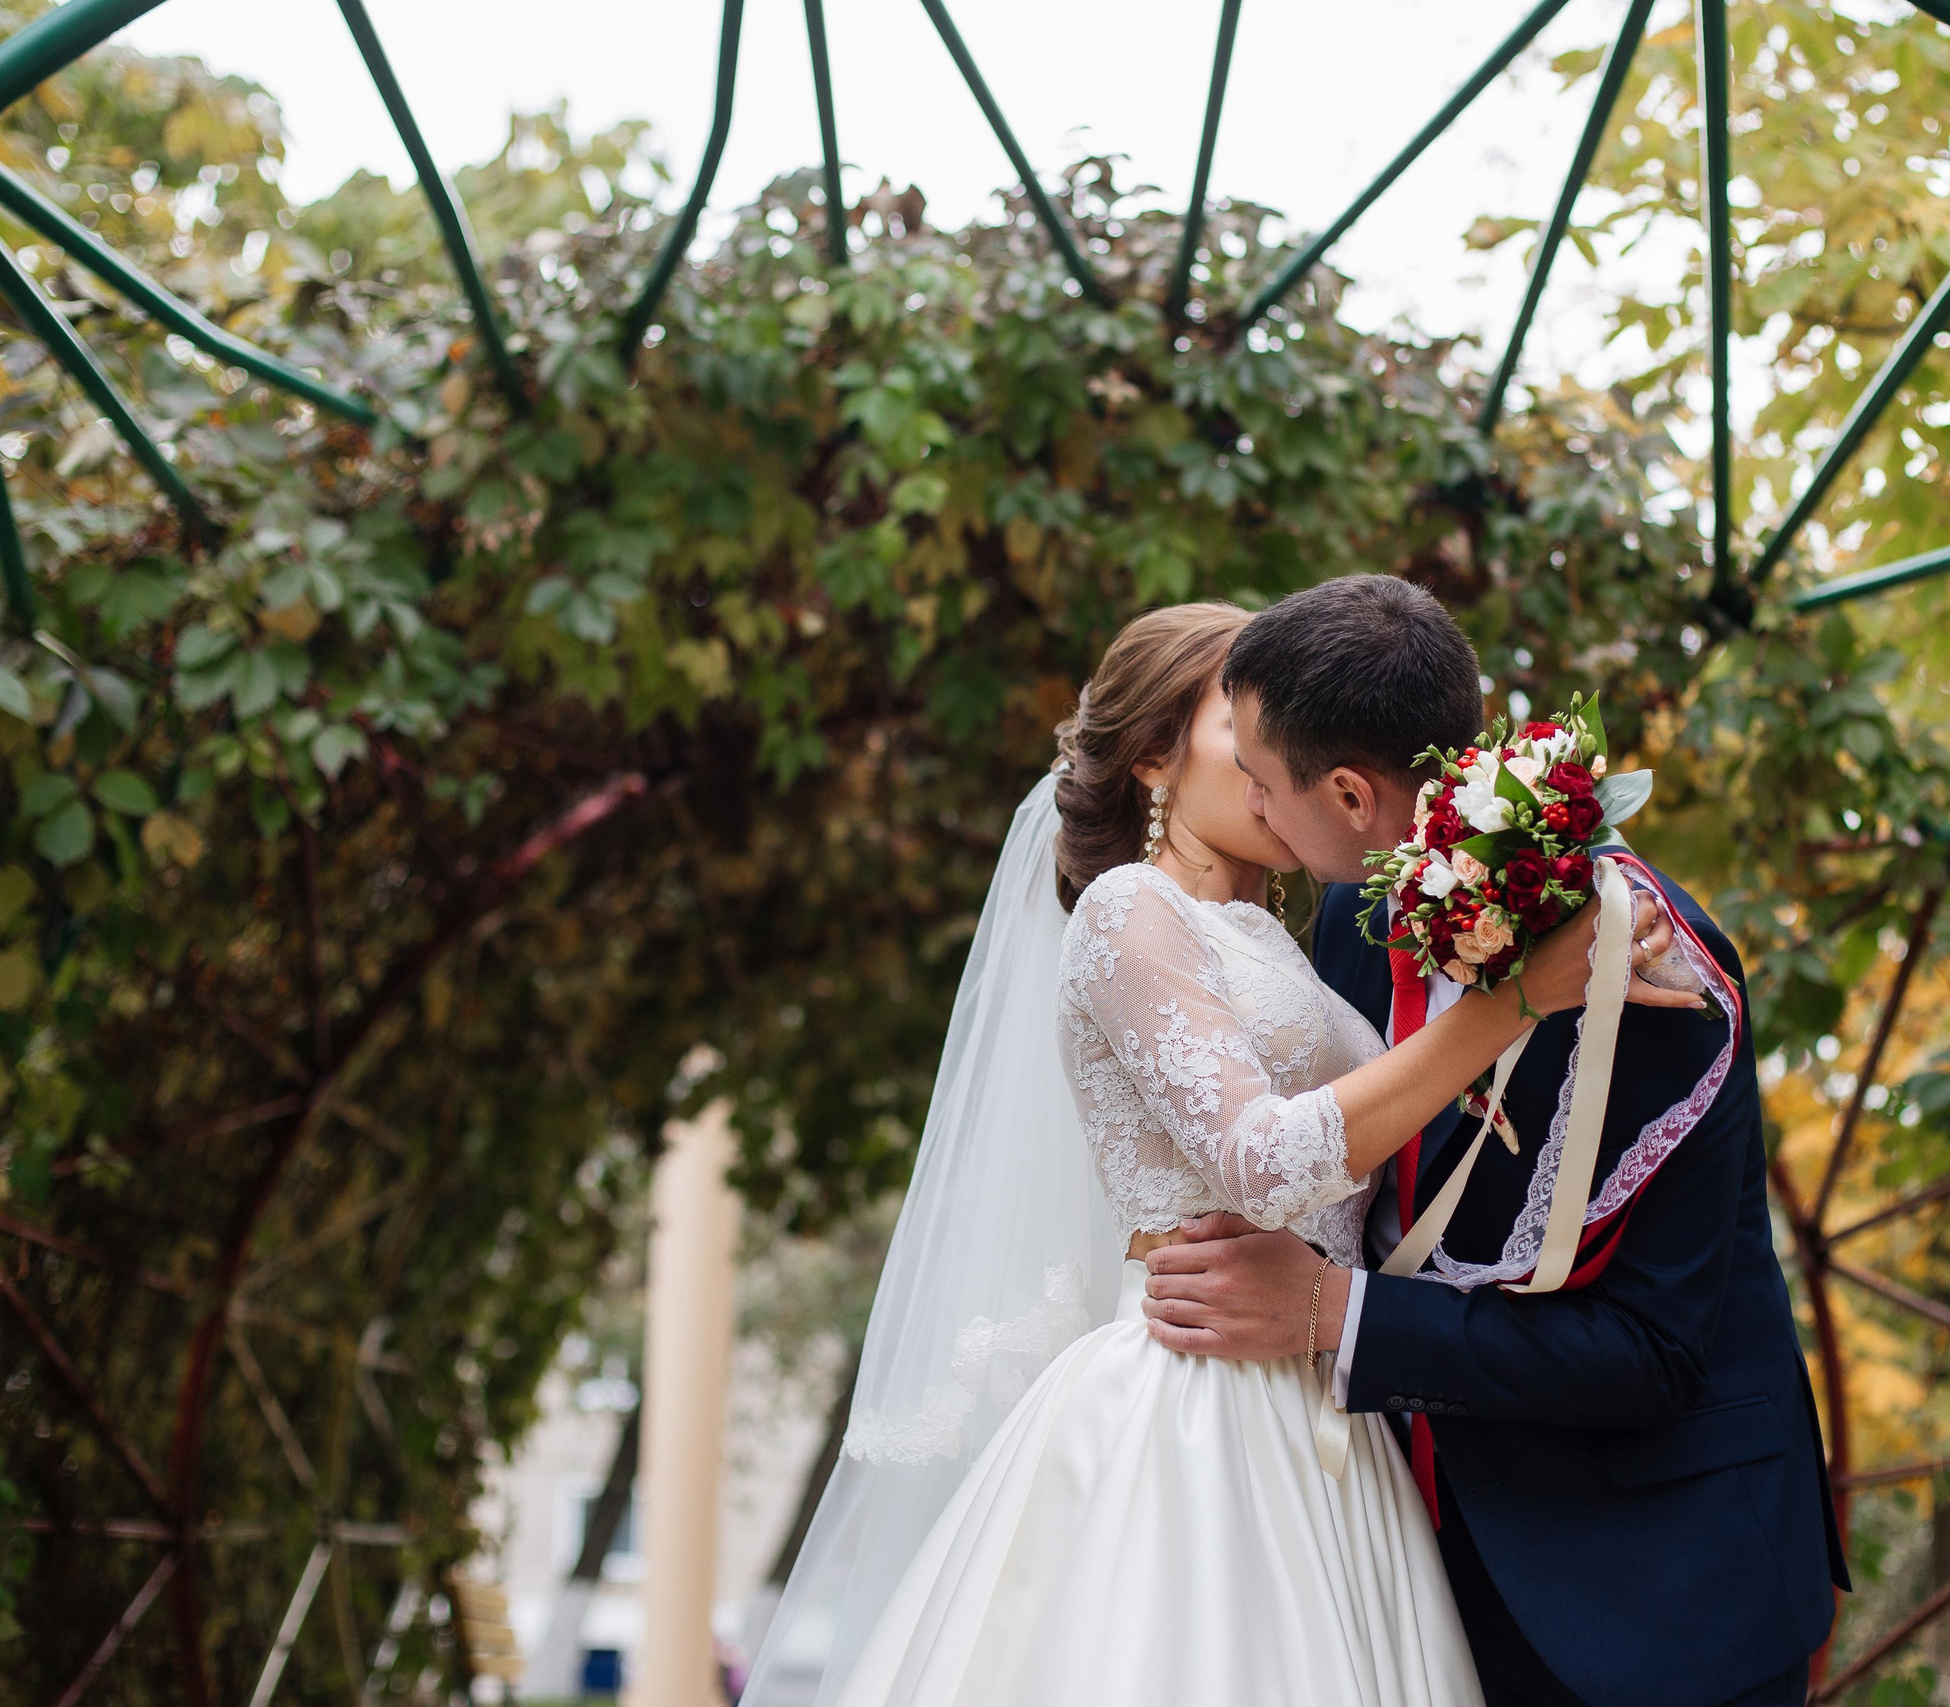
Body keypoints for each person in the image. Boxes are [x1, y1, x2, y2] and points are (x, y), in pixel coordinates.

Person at [740, 600, 1693, 1707]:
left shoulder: (1296, 948)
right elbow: (1265, 1163)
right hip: (1194, 1406)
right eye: (1234, 728)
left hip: (1328, 1406)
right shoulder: (1123, 911)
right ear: (1152, 757)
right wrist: (1513, 1004)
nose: (1261, 755)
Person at [1141, 575, 1851, 1707]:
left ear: (1349, 792)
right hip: (1413, 1570)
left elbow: (1650, 1352)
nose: (1257, 813)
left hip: (1662, 1585)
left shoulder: (1648, 960)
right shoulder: (1344, 911)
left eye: (1266, 786)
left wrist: (1331, 1311)